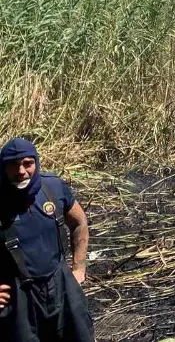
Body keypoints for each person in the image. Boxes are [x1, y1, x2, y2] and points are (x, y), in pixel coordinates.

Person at [0, 138, 94, 342]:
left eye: (27, 163)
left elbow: (79, 223)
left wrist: (79, 269)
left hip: (61, 282)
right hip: (19, 296)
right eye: (13, 165)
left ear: (36, 162)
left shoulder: (52, 188)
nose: (21, 171)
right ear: (3, 167)